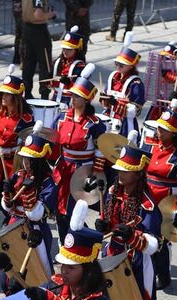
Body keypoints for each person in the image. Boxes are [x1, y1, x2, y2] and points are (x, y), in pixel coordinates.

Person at [95, 146, 160, 300]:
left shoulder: (147, 203)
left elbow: (152, 243)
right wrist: (103, 226)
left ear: (137, 174)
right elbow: (109, 223)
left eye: (125, 171)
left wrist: (132, 236)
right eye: (119, 170)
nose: (120, 174)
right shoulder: (113, 191)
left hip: (134, 263)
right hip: (111, 256)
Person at [140, 110, 177, 290]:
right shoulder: (150, 145)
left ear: (174, 132)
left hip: (167, 201)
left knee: (161, 241)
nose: (159, 131)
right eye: (159, 127)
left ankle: (163, 274)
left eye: (164, 129)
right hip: (146, 196)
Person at [0, 122, 55, 293]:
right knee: (7, 276)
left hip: (34, 232)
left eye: (31, 160)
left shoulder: (48, 183)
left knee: (39, 276)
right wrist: (7, 195)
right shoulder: (18, 175)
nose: (26, 163)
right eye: (24, 158)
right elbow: (9, 208)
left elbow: (36, 214)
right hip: (14, 227)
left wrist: (29, 191)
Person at [51, 63, 106, 241]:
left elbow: (101, 152)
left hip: (82, 173)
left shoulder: (95, 124)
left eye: (78, 96)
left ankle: (80, 242)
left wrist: (95, 174)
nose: (73, 99)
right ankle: (66, 242)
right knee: (58, 210)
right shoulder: (62, 117)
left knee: (73, 212)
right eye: (72, 95)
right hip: (62, 169)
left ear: (86, 100)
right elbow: (54, 141)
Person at [0, 67, 34, 213]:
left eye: (8, 94)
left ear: (17, 96)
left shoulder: (26, 120)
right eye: (3, 93)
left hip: (15, 164)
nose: (4, 96)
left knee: (13, 194)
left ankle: (13, 218)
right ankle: (8, 214)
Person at [103, 34, 144, 136]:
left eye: (121, 65)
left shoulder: (136, 83)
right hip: (109, 119)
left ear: (131, 66)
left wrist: (116, 104)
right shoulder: (112, 77)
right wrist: (104, 99)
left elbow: (136, 111)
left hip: (125, 125)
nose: (118, 66)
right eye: (116, 63)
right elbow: (105, 101)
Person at [21, 0, 55, 100]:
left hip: (28, 29)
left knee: (28, 63)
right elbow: (38, 15)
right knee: (45, 63)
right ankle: (44, 94)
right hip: (39, 30)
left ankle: (27, 92)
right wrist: (50, 15)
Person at [49, 26, 85, 106]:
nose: (65, 51)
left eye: (69, 49)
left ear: (76, 50)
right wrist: (49, 78)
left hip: (70, 100)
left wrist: (69, 82)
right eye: (64, 48)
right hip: (55, 97)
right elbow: (50, 84)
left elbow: (81, 87)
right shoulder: (58, 62)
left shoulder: (80, 65)